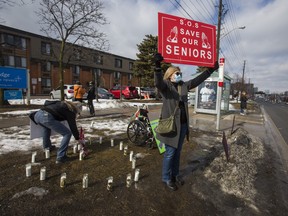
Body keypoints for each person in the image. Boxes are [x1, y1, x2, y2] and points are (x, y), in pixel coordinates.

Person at [154, 53, 219, 191]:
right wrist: (157, 67)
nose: (179, 75)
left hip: (182, 126)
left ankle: (175, 174)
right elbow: (158, 82)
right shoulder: (166, 86)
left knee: (177, 153)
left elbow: (197, 80)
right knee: (170, 153)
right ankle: (166, 178)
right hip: (171, 126)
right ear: (170, 75)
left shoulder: (184, 85)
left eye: (180, 73)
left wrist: (210, 70)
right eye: (176, 73)